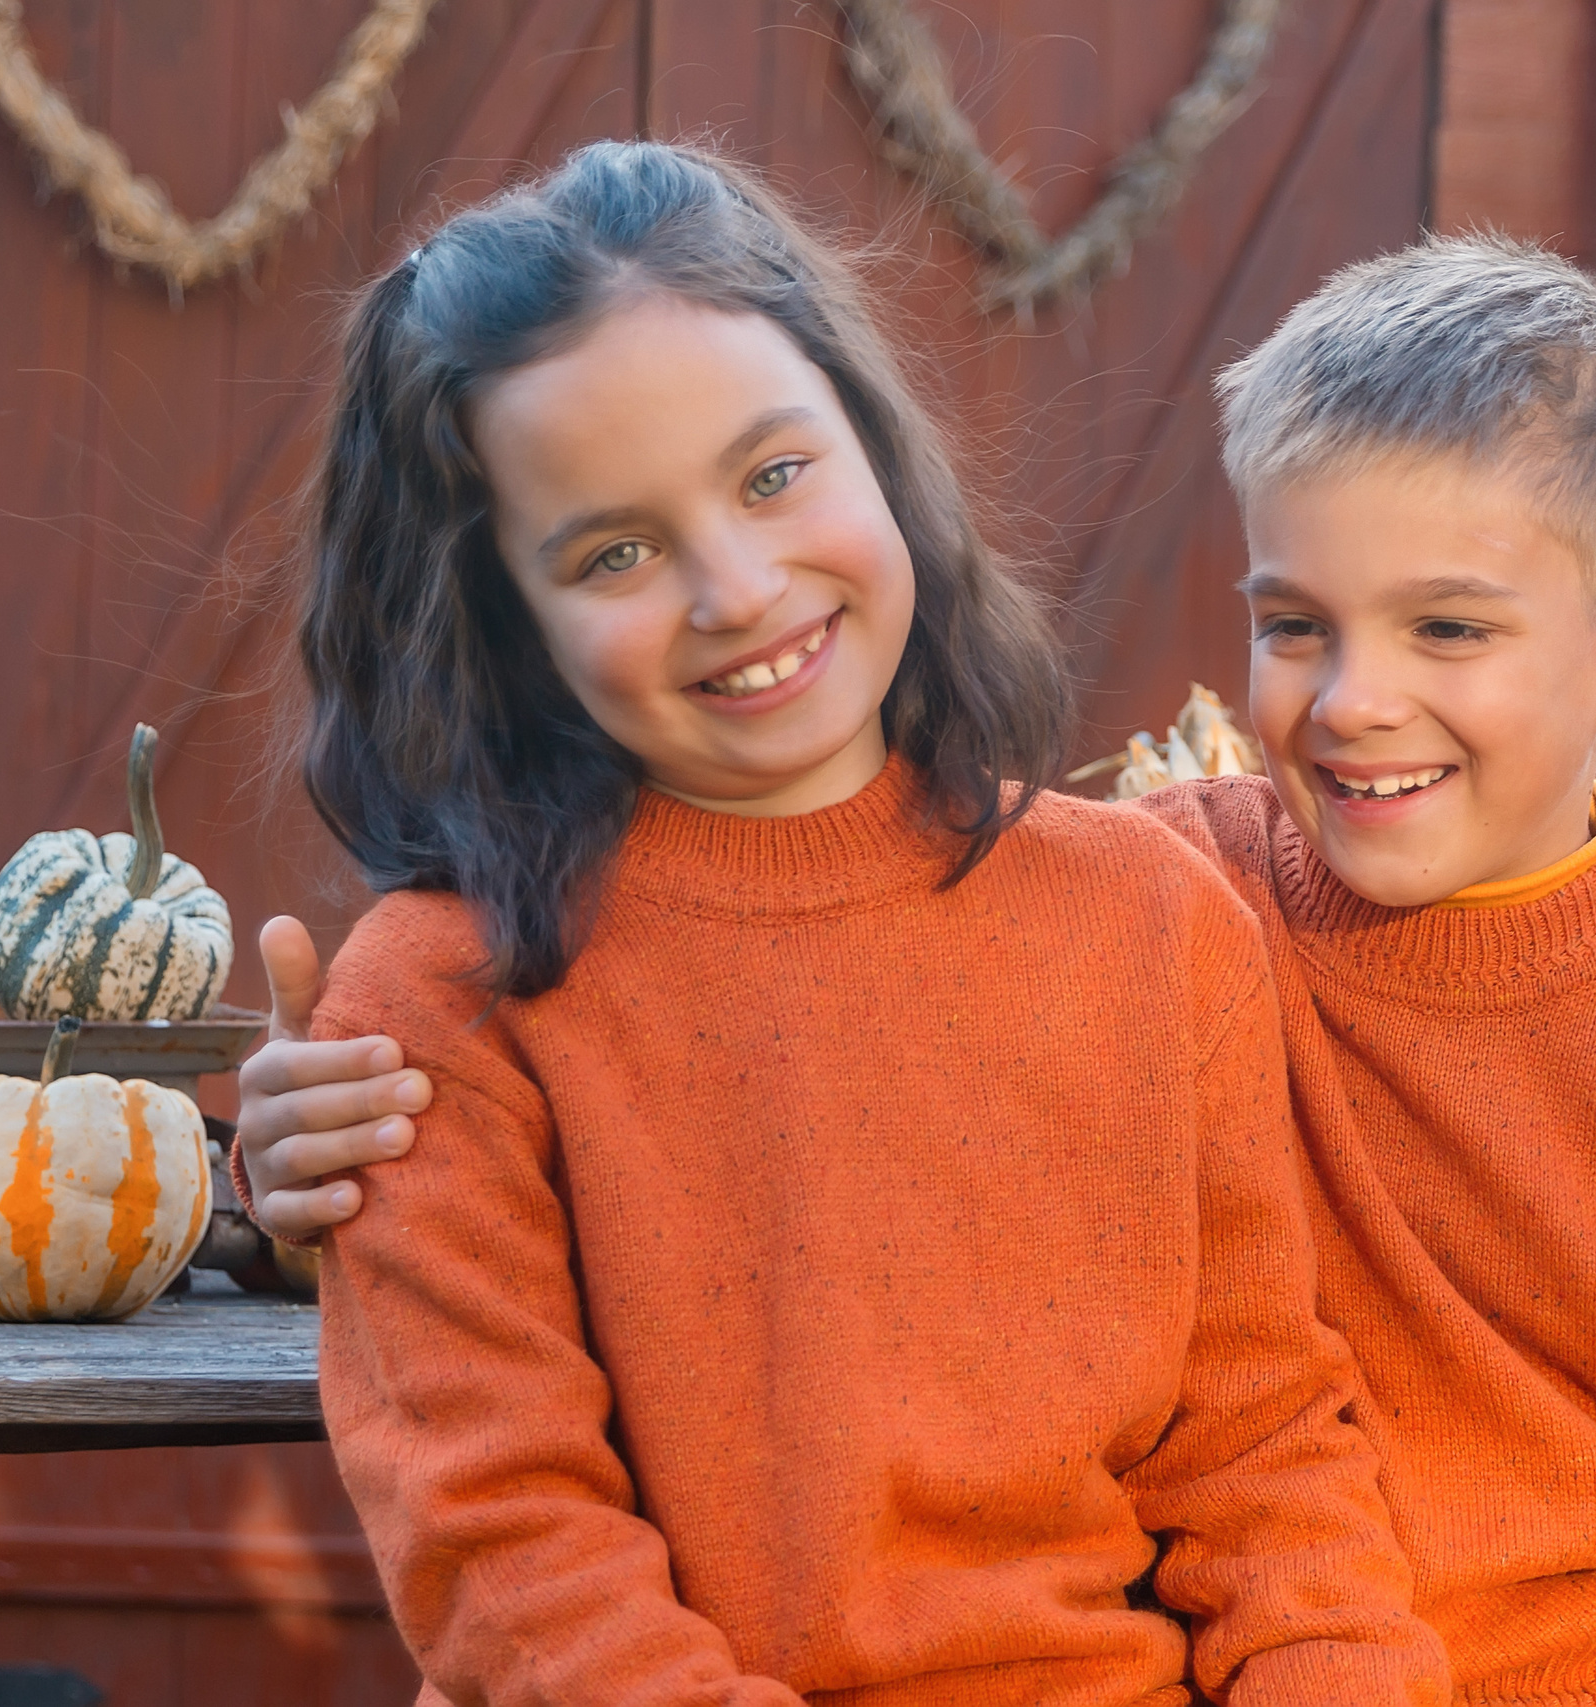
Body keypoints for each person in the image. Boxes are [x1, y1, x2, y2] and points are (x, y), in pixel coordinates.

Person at [241, 233, 1596, 1703]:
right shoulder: (1183, 890)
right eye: (1294, 626)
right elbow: (843, 966)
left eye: (1449, 627)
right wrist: (277, 1159)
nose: (1353, 703)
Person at [255, 138, 1448, 1707]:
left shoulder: (1151, 922)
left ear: (871, 444)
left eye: (773, 475)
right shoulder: (443, 1002)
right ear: (504, 617)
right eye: (614, 552)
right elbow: (507, 1552)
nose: (739, 588)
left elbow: (1261, 1450)